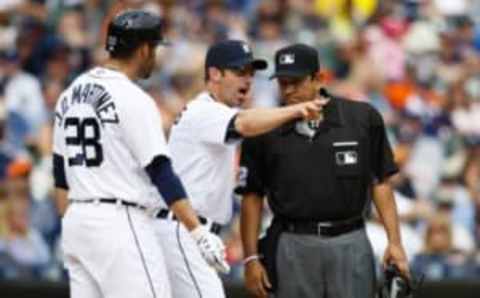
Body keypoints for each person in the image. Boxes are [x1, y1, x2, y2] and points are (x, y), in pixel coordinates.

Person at [52, 10, 227, 298]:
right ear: (144, 49)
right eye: (155, 48)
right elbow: (161, 172)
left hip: (77, 222)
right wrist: (198, 232)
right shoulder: (132, 98)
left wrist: (76, 226)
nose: (156, 55)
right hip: (120, 223)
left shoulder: (70, 93)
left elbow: (60, 177)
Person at [237, 43, 410, 298]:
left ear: (319, 78)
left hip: (350, 239)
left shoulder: (360, 118)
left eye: (296, 82)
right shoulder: (263, 129)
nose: (289, 90)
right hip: (292, 242)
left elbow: (380, 183)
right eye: (283, 83)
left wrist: (394, 242)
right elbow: (252, 196)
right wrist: (251, 258)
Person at [154, 39, 324, 298]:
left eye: (251, 74)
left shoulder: (212, 110)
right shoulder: (204, 111)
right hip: (184, 230)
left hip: (187, 231)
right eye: (239, 72)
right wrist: (296, 110)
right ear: (214, 74)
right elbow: (244, 123)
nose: (247, 80)